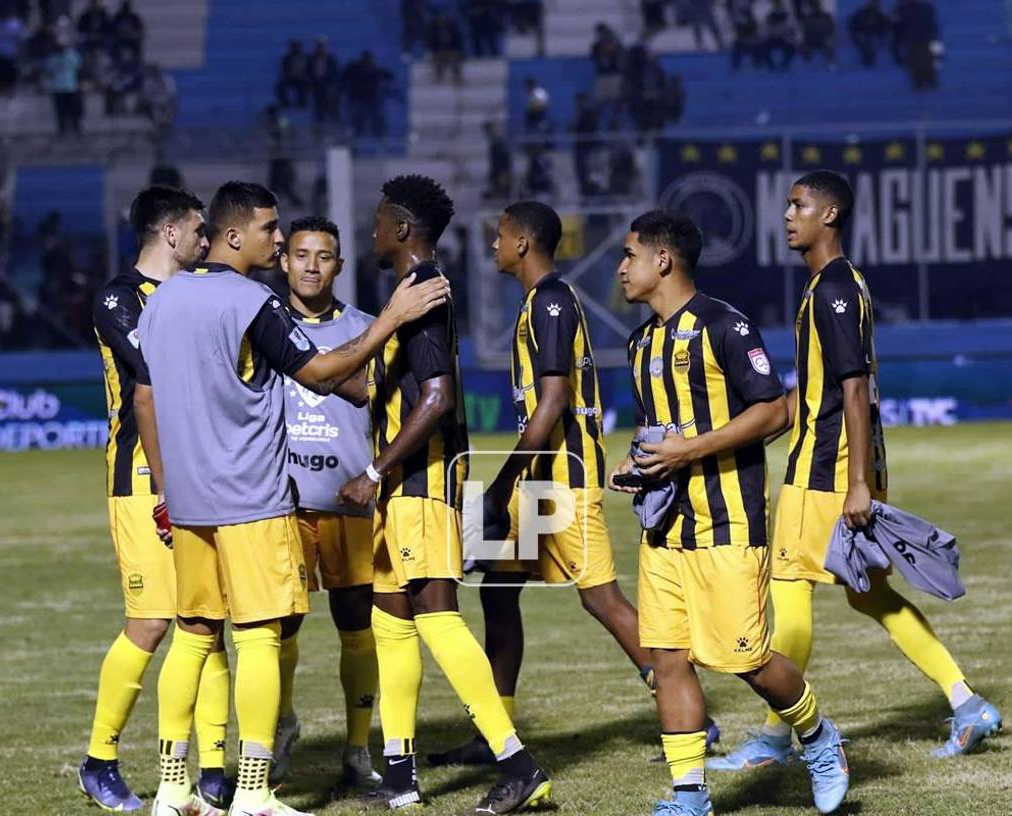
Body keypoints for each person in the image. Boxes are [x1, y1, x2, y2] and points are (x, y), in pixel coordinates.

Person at [138, 181, 450, 816]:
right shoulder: (253, 301)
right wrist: (391, 318)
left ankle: (172, 789)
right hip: (251, 497)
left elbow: (148, 394)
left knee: (193, 636)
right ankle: (254, 791)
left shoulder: (164, 300)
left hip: (190, 499)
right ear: (235, 236)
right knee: (257, 639)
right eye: (268, 228)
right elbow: (321, 374)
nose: (277, 241)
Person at [711, 171, 1002, 773]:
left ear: (831, 214)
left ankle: (774, 736)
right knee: (870, 596)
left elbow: (851, 389)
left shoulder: (833, 290)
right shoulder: (838, 285)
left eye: (800, 205)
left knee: (788, 594)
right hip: (842, 465)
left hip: (825, 471)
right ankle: (966, 701)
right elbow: (824, 387)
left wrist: (858, 483)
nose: (788, 215)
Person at [428, 202, 721, 768]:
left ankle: (693, 717)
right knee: (496, 589)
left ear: (522, 244)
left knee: (602, 599)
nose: (492, 245)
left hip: (564, 479)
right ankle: (497, 732)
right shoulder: (536, 302)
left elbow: (555, 398)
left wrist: (501, 482)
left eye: (499, 235)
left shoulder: (554, 301)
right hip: (536, 481)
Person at [613, 209, 850, 816]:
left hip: (727, 524)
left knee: (745, 660)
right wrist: (638, 465)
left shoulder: (724, 325)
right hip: (664, 530)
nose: (621, 267)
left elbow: (775, 410)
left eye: (629, 254)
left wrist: (688, 450)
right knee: (667, 660)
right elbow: (661, 429)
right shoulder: (641, 343)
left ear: (662, 261)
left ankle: (819, 738)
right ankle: (689, 797)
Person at [335, 176, 553, 813]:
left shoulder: (423, 291)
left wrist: (373, 472)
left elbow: (437, 398)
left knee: (435, 615)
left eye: (378, 221)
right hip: (402, 489)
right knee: (391, 622)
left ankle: (519, 763)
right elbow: (382, 387)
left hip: (420, 483)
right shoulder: (408, 291)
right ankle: (400, 776)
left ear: (402, 229)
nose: (371, 231)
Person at [76, 187, 220, 812]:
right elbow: (157, 375)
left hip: (201, 472)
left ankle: (215, 769)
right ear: (168, 232)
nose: (206, 240)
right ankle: (100, 760)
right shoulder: (118, 297)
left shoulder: (196, 289)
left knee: (206, 619)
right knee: (152, 621)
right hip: (141, 477)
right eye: (197, 229)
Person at [267, 216, 384, 790]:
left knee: (356, 626)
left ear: (340, 265)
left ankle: (358, 747)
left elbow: (378, 401)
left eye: (325, 256)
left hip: (347, 502)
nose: (312, 265)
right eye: (302, 254)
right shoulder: (259, 326)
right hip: (279, 501)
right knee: (280, 626)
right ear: (283, 260)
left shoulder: (366, 328)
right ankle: (281, 722)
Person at [893, 0, 939, 90]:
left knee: (916, 62)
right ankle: (929, 81)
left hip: (913, 39)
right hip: (925, 38)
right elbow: (932, 23)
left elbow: (896, 25)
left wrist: (898, 40)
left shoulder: (902, 9)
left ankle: (920, 82)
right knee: (927, 61)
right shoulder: (926, 7)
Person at [0, 9, 26, 99]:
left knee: (11, 73)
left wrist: (21, 54)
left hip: (12, 54)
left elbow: (21, 40)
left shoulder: (17, 24)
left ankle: (10, 91)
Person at [589, 22, 623, 123]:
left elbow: (620, 57)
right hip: (602, 75)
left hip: (613, 74)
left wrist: (612, 49)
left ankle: (615, 120)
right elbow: (593, 58)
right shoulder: (596, 46)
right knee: (600, 99)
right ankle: (596, 120)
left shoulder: (615, 43)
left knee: (615, 98)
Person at [306, 38, 340, 127]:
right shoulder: (310, 59)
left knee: (329, 94)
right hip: (315, 84)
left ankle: (333, 117)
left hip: (327, 83)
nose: (320, 48)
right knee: (319, 96)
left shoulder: (331, 59)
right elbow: (307, 72)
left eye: (322, 46)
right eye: (318, 46)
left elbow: (334, 72)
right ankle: (320, 118)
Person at [848, 0, 890, 67]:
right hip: (863, 35)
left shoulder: (880, 14)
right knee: (865, 42)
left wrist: (881, 35)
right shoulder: (861, 13)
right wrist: (857, 33)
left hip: (875, 36)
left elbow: (885, 26)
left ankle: (870, 59)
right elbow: (853, 25)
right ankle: (866, 59)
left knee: (873, 42)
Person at [428, 13, 466, 84]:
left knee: (455, 58)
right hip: (439, 51)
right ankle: (438, 77)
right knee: (438, 59)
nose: (443, 21)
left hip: (452, 51)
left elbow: (459, 43)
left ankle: (457, 78)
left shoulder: (454, 30)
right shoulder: (434, 31)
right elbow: (431, 44)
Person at [760, 0, 797, 70]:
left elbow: (790, 30)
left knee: (791, 48)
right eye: (776, 5)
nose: (777, 6)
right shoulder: (769, 17)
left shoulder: (787, 17)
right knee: (764, 47)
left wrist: (790, 40)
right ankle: (771, 65)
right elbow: (766, 30)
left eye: (779, 5)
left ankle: (784, 64)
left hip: (784, 38)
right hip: (772, 38)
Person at [799, 0, 836, 65]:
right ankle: (807, 61)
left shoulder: (826, 17)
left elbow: (831, 30)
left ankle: (830, 61)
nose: (815, 8)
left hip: (822, 40)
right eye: (813, 7)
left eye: (817, 6)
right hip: (811, 40)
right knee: (803, 46)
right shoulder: (807, 18)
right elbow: (805, 31)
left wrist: (828, 37)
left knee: (829, 44)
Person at [484, 121, 513, 200]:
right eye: (488, 131)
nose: (490, 133)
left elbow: (504, 160)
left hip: (502, 170)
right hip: (497, 170)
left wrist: (503, 172)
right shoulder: (494, 146)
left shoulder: (501, 144)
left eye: (491, 130)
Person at [729, 0, 762, 70]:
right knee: (737, 45)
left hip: (752, 42)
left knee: (757, 46)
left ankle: (757, 64)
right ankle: (736, 66)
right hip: (743, 42)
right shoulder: (738, 23)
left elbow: (756, 33)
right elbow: (738, 35)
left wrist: (752, 39)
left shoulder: (753, 22)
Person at [276, 40, 309, 108]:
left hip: (301, 79)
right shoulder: (286, 59)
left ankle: (301, 102)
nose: (295, 49)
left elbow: (309, 70)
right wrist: (287, 76)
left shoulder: (305, 58)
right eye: (294, 47)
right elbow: (283, 70)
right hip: (290, 78)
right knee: (280, 86)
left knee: (303, 85)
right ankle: (285, 103)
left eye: (296, 47)